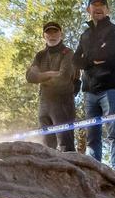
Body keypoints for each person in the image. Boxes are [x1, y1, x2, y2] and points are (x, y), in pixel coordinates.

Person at [73, 0, 115, 170]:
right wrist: (92, 60)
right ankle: (93, 171)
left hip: (111, 88)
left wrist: (88, 59)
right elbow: (75, 60)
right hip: (89, 90)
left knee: (114, 131)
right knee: (92, 136)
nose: (98, 8)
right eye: (94, 5)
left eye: (102, 5)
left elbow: (110, 55)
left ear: (107, 9)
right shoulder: (85, 35)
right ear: (88, 10)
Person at [25, 21, 79, 152]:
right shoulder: (40, 55)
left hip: (63, 102)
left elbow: (64, 78)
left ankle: (70, 171)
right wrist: (50, 73)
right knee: (47, 147)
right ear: (44, 35)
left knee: (66, 146)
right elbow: (29, 77)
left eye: (55, 32)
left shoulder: (68, 53)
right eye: (48, 32)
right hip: (44, 103)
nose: (52, 35)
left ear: (61, 34)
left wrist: (41, 77)